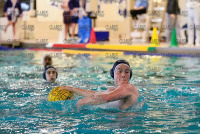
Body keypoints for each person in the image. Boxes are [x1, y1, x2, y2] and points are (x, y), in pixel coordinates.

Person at [61, 60, 139, 110]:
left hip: (126, 123)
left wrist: (81, 102)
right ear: (113, 74)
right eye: (120, 71)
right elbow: (95, 94)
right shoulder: (112, 90)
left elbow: (106, 98)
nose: (123, 75)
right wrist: (72, 89)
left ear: (130, 74)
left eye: (127, 72)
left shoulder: (129, 87)